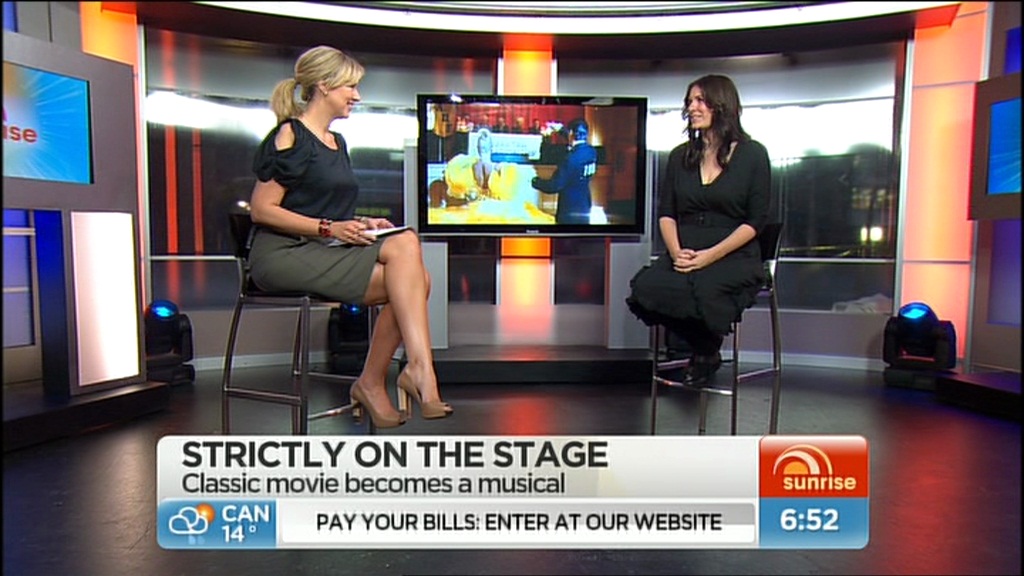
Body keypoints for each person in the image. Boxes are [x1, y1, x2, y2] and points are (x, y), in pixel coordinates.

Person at [247, 45, 451, 427]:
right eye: (350, 87)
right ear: (324, 86)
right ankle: (412, 373)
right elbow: (262, 209)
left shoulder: (336, 142)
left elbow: (320, 206)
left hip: (321, 249)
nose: (356, 96)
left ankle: (382, 379)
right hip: (281, 255)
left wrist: (358, 222)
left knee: (412, 270)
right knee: (410, 269)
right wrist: (330, 228)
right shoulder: (291, 134)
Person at [626, 74, 772, 385]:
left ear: (722, 105)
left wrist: (710, 256)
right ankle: (706, 349)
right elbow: (667, 213)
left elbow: (755, 221)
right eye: (690, 101)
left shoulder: (753, 154)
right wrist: (677, 252)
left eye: (701, 100)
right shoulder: (681, 156)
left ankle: (704, 353)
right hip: (686, 249)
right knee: (646, 290)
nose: (692, 107)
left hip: (732, 252)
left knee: (705, 291)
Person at [531, 118, 598, 225]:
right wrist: (561, 129)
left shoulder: (570, 159)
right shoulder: (591, 152)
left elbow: (555, 185)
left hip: (569, 210)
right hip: (584, 206)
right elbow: (573, 138)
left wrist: (535, 181)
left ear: (571, 133)